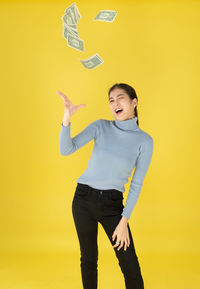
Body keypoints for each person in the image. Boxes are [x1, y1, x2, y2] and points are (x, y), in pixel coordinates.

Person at [57, 83, 154, 289]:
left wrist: (124, 221)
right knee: (89, 260)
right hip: (83, 200)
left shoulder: (145, 141)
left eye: (120, 98)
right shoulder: (101, 126)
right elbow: (67, 149)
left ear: (134, 102)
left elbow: (136, 184)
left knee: (130, 265)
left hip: (113, 206)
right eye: (111, 100)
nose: (115, 103)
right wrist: (67, 117)